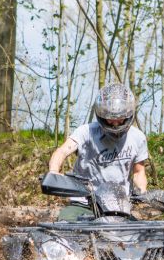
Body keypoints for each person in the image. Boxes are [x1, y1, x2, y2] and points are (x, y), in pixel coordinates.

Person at [48, 83, 148, 221]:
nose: (115, 122)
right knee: (66, 225)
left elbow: (139, 171)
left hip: (118, 206)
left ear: (128, 113)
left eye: (119, 117)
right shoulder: (86, 132)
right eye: (110, 117)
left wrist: (141, 191)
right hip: (84, 203)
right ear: (101, 114)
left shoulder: (137, 137)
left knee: (139, 236)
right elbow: (62, 151)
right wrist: (53, 172)